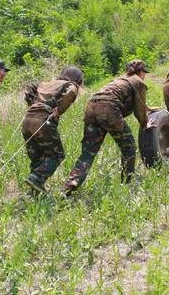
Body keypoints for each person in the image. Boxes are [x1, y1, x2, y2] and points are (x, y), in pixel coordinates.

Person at [63, 59, 151, 196]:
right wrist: (146, 124)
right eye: (144, 72)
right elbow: (139, 112)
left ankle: (71, 183)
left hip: (91, 107)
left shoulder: (119, 80)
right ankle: (126, 184)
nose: (144, 75)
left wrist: (148, 108)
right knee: (129, 147)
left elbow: (135, 102)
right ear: (140, 72)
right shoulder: (138, 82)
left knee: (88, 152)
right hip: (109, 109)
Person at [22, 66, 84, 194]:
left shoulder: (45, 83)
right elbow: (72, 91)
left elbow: (29, 89)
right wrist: (59, 109)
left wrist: (33, 104)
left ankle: (34, 191)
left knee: (37, 157)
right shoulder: (70, 84)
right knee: (57, 155)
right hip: (44, 120)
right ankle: (37, 179)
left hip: (27, 120)